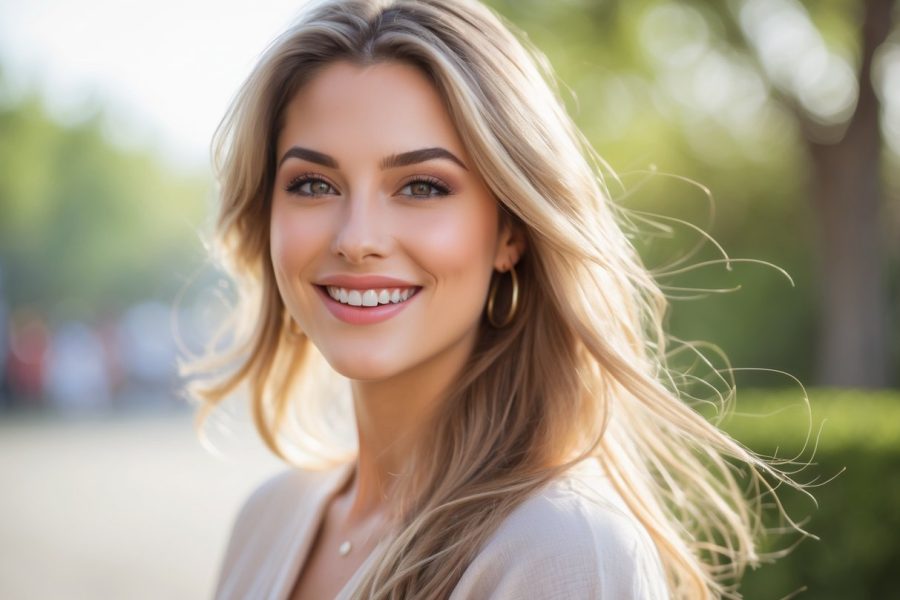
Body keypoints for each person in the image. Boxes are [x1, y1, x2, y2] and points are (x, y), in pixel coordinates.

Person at [183, 0, 802, 598]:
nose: (357, 240)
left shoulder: (561, 551)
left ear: (510, 231)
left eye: (422, 186)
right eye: (313, 184)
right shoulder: (265, 523)